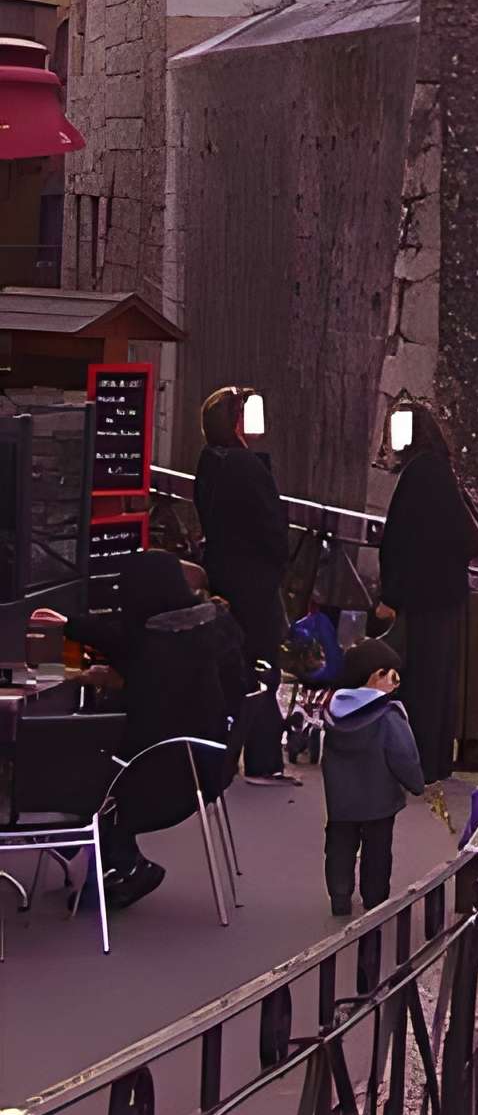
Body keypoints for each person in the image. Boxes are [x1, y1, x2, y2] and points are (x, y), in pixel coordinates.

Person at [67, 550, 249, 910]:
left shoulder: (154, 642)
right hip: (211, 764)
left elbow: (139, 713)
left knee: (78, 781)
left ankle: (126, 864)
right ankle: (107, 864)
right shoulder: (212, 627)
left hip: (163, 778)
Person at [376, 405, 478, 782]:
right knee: (439, 681)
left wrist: (390, 595)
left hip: (422, 595)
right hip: (447, 591)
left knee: (420, 681)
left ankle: (418, 764)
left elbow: (401, 539)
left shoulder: (419, 473)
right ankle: (436, 761)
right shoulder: (440, 470)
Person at [194, 387, 294, 779]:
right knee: (262, 665)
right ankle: (263, 755)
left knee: (231, 663)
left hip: (224, 576)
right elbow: (272, 531)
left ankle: (223, 751)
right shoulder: (246, 468)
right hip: (254, 582)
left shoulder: (209, 462)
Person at [321, 640, 424, 917]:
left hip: (340, 799)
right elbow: (403, 755)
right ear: (376, 675)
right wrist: (416, 784)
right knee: (377, 851)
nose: (396, 681)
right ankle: (374, 900)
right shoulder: (388, 716)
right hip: (380, 799)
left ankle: (340, 897)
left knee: (339, 845)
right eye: (392, 674)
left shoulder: (331, 712)